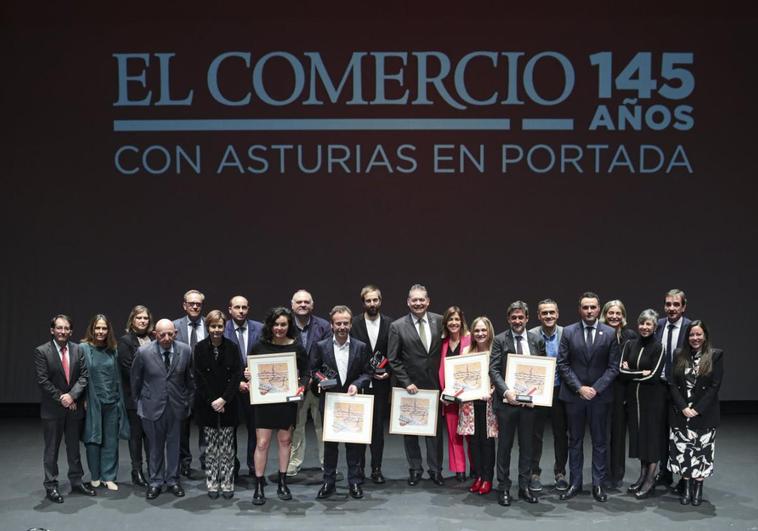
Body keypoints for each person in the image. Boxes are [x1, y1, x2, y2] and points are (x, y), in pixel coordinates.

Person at [557, 292, 620, 502]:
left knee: (600, 442)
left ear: (598, 308)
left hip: (600, 397)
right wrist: (580, 388)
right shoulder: (568, 332)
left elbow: (613, 367)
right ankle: (575, 483)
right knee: (574, 441)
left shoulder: (610, 333)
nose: (589, 311)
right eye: (585, 307)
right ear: (579, 309)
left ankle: (598, 484)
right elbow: (563, 364)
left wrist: (596, 388)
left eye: (593, 307)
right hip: (575, 396)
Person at [245, 307, 308, 505]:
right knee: (262, 443)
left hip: (286, 401)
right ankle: (259, 484)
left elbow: (306, 373)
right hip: (264, 402)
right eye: (276, 324)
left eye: (283, 324)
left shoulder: (297, 347)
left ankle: (282, 481)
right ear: (270, 326)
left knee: (285, 441)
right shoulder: (259, 346)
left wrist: (302, 387)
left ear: (289, 326)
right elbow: (249, 371)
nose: (279, 328)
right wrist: (247, 375)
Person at [311, 306, 372, 499]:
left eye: (346, 323)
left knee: (353, 446)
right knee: (330, 446)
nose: (342, 326)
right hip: (330, 402)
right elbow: (313, 371)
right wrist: (321, 380)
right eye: (338, 323)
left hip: (352, 402)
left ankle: (354, 482)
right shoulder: (321, 346)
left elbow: (367, 372)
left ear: (351, 324)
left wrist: (356, 384)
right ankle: (328, 482)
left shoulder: (361, 347)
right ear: (331, 325)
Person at [387, 283, 445, 486]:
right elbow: (393, 359)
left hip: (435, 386)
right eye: (415, 300)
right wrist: (406, 382)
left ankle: (436, 470)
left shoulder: (440, 321)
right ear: (408, 302)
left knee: (435, 433)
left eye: (422, 299)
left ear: (428, 301)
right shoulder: (397, 326)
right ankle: (415, 469)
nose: (418, 303)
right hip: (410, 388)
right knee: (410, 432)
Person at [34, 314, 96, 503]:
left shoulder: (78, 349)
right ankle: (51, 486)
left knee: (74, 448)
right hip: (53, 410)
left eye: (66, 328)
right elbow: (43, 380)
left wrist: (72, 396)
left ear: (71, 331)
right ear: (52, 330)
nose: (62, 331)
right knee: (51, 450)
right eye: (59, 328)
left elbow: (84, 376)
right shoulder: (41, 351)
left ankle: (76, 481)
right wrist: (63, 398)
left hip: (74, 407)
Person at [489, 301, 546, 506]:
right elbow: (494, 370)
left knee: (527, 448)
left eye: (521, 317)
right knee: (504, 448)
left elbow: (542, 371)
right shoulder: (499, 340)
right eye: (513, 318)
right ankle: (503, 488)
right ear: (508, 319)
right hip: (507, 404)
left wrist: (538, 396)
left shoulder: (536, 340)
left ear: (527, 319)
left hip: (529, 406)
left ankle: (524, 487)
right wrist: (506, 391)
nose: (517, 321)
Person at [131, 319, 194, 500]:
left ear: (175, 332)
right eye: (162, 335)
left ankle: (173, 480)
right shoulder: (143, 352)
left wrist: (188, 402)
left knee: (175, 446)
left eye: (170, 334)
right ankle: (156, 482)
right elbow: (135, 380)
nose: (166, 338)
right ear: (155, 334)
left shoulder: (186, 350)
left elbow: (190, 380)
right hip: (152, 407)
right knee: (155, 447)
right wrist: (139, 404)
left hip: (176, 406)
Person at [668, 320, 723, 507]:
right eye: (692, 335)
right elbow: (672, 383)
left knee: (701, 453)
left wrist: (697, 409)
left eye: (699, 334)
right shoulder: (678, 354)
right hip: (680, 412)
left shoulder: (715, 356)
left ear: (705, 336)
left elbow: (715, 386)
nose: (695, 338)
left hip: (704, 414)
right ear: (687, 337)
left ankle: (698, 488)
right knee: (683, 451)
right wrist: (683, 407)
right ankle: (686, 488)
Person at [193, 310, 243, 499]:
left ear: (224, 327)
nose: (216, 330)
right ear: (208, 327)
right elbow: (199, 377)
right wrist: (213, 400)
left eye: (220, 326)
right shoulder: (199, 348)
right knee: (212, 448)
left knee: (228, 447)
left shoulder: (232, 347)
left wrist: (224, 399)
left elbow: (236, 375)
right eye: (213, 326)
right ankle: (213, 482)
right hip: (207, 405)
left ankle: (228, 482)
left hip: (228, 403)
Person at [618, 309, 665, 499]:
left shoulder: (658, 347)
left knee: (651, 439)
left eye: (649, 324)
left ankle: (650, 479)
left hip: (652, 400)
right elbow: (621, 371)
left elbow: (654, 376)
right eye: (642, 324)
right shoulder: (629, 344)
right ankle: (642, 475)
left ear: (655, 327)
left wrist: (633, 373)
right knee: (639, 439)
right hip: (634, 401)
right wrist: (640, 373)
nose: (645, 327)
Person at [80, 314, 130, 491]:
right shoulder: (83, 348)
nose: (100, 331)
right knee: (93, 440)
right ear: (92, 329)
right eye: (97, 328)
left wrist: (118, 400)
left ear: (108, 330)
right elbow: (79, 377)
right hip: (92, 402)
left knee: (111, 441)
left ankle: (108, 476)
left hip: (112, 401)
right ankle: (95, 476)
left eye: (104, 328)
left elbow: (117, 377)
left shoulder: (113, 350)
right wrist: (83, 399)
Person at [350, 284, 393, 484]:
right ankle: (358, 469)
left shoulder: (389, 324)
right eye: (368, 300)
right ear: (363, 303)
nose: (372, 303)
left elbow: (395, 353)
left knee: (377, 430)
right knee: (359, 429)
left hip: (382, 385)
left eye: (375, 300)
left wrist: (389, 372)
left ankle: (376, 469)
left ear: (380, 301)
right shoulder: (354, 323)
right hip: (359, 385)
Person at [288, 289, 331, 477]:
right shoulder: (285, 326)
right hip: (295, 385)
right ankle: (293, 463)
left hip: (318, 385)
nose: (303, 305)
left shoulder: (323, 326)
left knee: (323, 427)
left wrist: (320, 378)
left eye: (306, 302)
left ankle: (326, 462)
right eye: (299, 302)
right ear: (292, 305)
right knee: (296, 426)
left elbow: (329, 354)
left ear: (312, 305)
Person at [528, 299, 568, 492]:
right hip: (538, 393)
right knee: (535, 435)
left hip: (561, 391)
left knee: (561, 434)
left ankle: (560, 473)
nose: (549, 316)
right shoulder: (531, 335)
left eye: (552, 312)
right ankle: (534, 473)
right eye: (545, 313)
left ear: (558, 313)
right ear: (538, 316)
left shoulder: (567, 334)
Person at [654, 288, 692, 490]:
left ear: (684, 307)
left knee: (681, 433)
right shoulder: (658, 325)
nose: (671, 308)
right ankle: (665, 473)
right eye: (668, 304)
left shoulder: (690, 328)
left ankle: (684, 478)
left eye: (676, 304)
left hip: (682, 389)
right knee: (661, 432)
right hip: (660, 387)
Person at [223, 295, 263, 478]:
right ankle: (233, 466)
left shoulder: (260, 329)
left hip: (255, 389)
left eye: (244, 307)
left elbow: (264, 357)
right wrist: (237, 382)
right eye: (237, 307)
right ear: (229, 309)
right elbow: (221, 363)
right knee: (230, 430)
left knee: (255, 430)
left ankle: (254, 465)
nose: (241, 311)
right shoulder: (221, 330)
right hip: (231, 390)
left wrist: (253, 380)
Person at [600, 299, 639, 488]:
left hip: (622, 391)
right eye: (611, 313)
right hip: (602, 390)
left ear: (623, 316)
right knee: (602, 435)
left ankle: (617, 475)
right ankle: (602, 473)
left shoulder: (630, 335)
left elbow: (637, 360)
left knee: (618, 434)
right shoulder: (598, 333)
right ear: (605, 315)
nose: (614, 316)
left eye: (618, 313)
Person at [459, 316, 497, 496]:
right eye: (477, 331)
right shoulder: (466, 351)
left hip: (489, 404)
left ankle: (488, 478)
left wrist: (492, 390)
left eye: (484, 330)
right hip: (470, 404)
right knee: (474, 442)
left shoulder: (496, 351)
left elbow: (502, 377)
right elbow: (459, 377)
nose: (480, 333)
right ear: (472, 333)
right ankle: (479, 477)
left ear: (489, 332)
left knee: (487, 442)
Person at [117, 305, 154, 487]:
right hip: (135, 397)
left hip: (154, 398)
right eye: (139, 318)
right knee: (136, 435)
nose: (142, 321)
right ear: (132, 320)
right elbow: (129, 369)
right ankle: (136, 471)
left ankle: (152, 469)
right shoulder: (125, 341)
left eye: (145, 318)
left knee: (151, 436)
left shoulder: (154, 338)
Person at [173, 289, 207, 478]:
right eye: (191, 303)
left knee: (206, 425)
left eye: (198, 304)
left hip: (205, 386)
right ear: (184, 305)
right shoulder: (174, 326)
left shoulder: (210, 326)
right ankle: (184, 462)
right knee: (182, 427)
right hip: (182, 386)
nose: (195, 306)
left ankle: (206, 459)